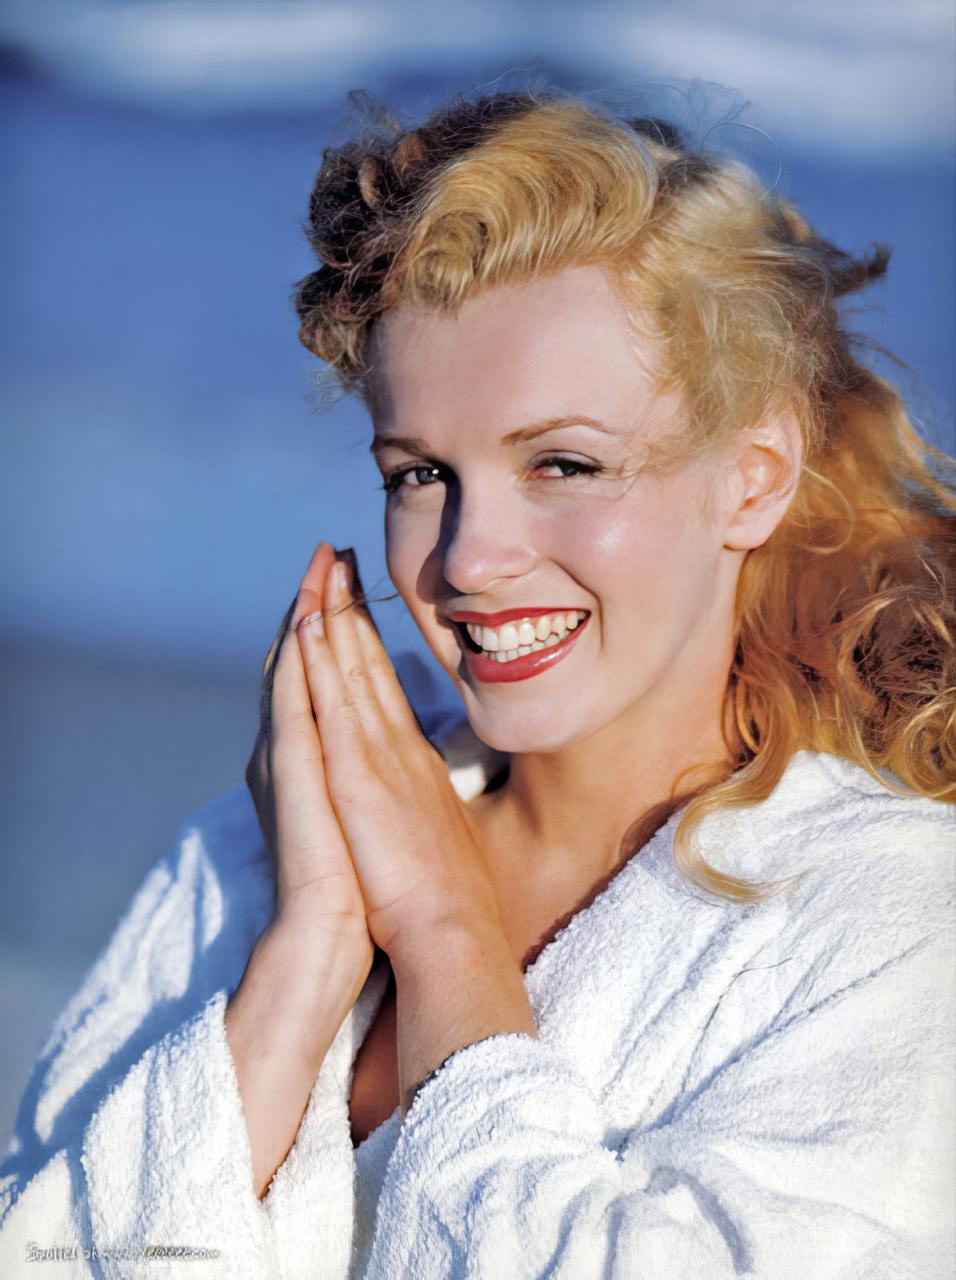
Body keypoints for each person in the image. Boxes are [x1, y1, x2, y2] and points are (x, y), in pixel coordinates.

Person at [1, 87, 953, 1280]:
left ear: (752, 478)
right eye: (416, 474)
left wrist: (444, 934)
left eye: (562, 462)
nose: (464, 560)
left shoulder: (890, 916)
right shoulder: (274, 846)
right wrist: (307, 949)